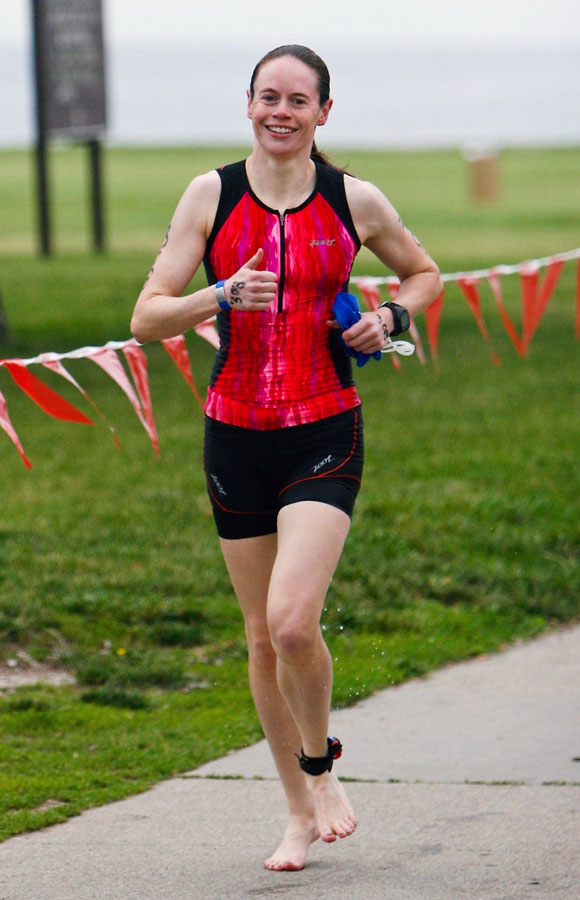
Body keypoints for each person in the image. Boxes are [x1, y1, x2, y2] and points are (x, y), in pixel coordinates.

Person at [131, 44, 442, 871]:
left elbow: (424, 274)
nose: (281, 111)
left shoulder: (353, 199)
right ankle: (299, 813)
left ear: (323, 113)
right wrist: (219, 293)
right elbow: (147, 317)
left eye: (298, 100)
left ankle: (320, 765)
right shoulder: (210, 195)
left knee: (293, 620)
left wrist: (391, 317)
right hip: (234, 433)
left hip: (323, 427)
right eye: (268, 96)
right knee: (262, 641)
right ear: (249, 104)